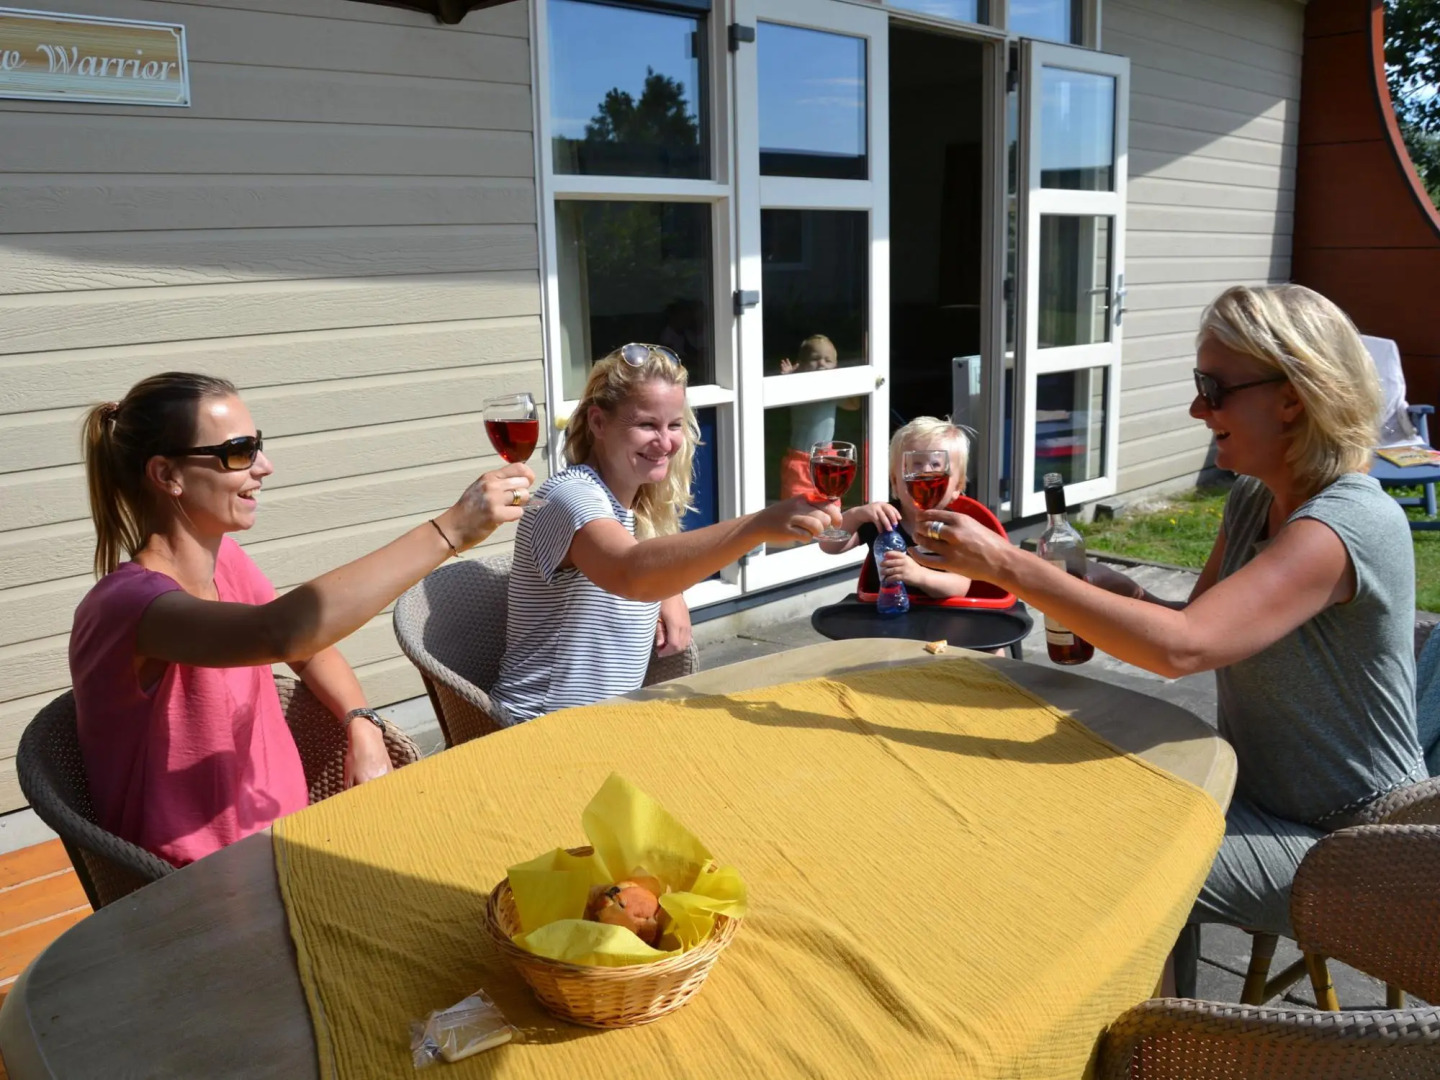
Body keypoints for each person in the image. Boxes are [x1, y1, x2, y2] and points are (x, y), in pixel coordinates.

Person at [913, 284, 1423, 993]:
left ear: (1292, 397)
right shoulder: (1254, 499)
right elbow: (1197, 623)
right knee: (1071, 801)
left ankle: (1127, 1043)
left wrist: (1005, 564)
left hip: (1353, 844)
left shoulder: (1347, 524)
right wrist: (1115, 593)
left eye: (1213, 389)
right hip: (1251, 793)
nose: (1196, 409)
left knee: (1120, 862)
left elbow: (1183, 647)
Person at [71, 372, 532, 866]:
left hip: (297, 835)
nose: (265, 467)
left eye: (258, 446)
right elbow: (282, 633)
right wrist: (451, 530)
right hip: (199, 880)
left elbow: (311, 648)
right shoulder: (128, 607)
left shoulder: (226, 563)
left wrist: (362, 722)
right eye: (239, 451)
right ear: (167, 475)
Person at [489, 343, 839, 725]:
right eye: (646, 425)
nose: (666, 442)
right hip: (537, 730)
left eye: (674, 424)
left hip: (605, 725)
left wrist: (670, 590)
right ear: (598, 423)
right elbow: (630, 572)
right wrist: (756, 526)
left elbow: (645, 563)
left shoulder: (635, 504)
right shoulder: (571, 496)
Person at [822, 416, 976, 600]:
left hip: (936, 619)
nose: (925, 475)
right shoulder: (884, 518)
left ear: (957, 487)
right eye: (915, 466)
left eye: (936, 465)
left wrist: (918, 575)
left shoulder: (955, 529)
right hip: (880, 618)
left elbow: (960, 586)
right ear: (895, 482)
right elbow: (829, 546)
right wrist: (857, 515)